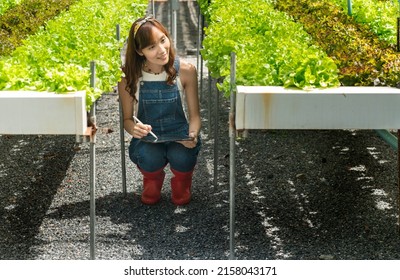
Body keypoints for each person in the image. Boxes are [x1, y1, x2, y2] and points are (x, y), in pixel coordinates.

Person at [118, 15, 201, 205]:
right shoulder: (129, 77)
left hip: (179, 134)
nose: (161, 50)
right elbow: (128, 120)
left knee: (182, 156)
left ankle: (182, 183)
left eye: (163, 40)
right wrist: (134, 130)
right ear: (140, 51)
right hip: (149, 137)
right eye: (151, 47)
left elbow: (195, 117)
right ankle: (152, 181)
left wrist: (192, 135)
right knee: (149, 156)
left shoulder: (186, 71)